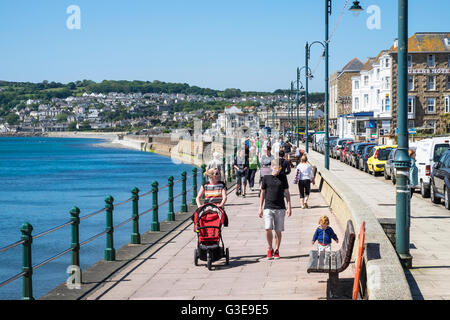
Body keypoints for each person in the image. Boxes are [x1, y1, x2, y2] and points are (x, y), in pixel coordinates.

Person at [258, 159, 292, 260]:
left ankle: (276, 250)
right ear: (272, 167)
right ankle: (270, 248)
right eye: (277, 168)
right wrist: (260, 207)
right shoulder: (266, 177)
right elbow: (262, 193)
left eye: (280, 168)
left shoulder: (283, 177)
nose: (279, 170)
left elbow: (287, 192)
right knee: (268, 228)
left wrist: (289, 206)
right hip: (268, 207)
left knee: (278, 230)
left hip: (280, 208)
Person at [194, 168, 228, 232]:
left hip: (217, 207)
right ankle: (198, 228)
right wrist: (199, 206)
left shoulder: (221, 185)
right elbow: (198, 197)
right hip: (207, 206)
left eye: (219, 173)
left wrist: (221, 205)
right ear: (211, 176)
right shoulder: (205, 185)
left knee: (219, 221)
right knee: (197, 215)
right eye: (217, 174)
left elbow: (225, 197)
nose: (219, 175)